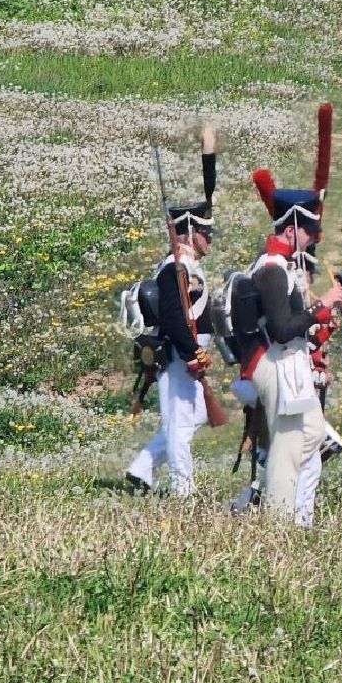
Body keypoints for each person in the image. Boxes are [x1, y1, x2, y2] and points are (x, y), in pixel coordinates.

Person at [246, 183, 342, 522]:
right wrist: (323, 308)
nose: (314, 238)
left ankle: (276, 498)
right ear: (291, 229)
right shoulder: (271, 269)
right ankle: (277, 520)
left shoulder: (284, 266)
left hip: (287, 361)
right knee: (287, 449)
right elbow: (281, 329)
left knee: (313, 433)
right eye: (309, 231)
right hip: (273, 361)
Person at [125, 202, 217, 498]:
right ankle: (182, 488)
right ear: (189, 234)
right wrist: (192, 353)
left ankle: (142, 467)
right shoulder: (173, 269)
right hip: (180, 353)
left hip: (187, 352)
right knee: (179, 424)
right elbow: (173, 319)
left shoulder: (188, 268)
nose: (210, 238)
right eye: (206, 232)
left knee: (196, 415)